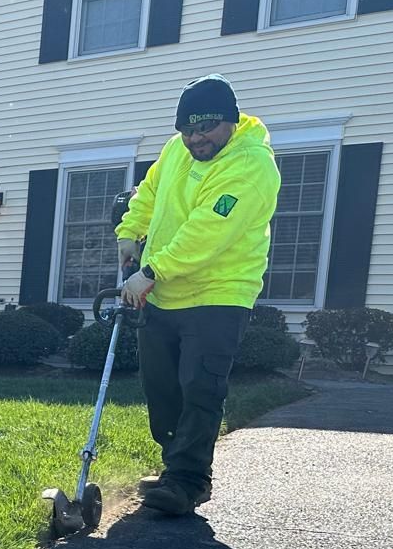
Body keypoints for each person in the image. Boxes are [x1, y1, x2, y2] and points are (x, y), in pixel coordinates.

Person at [115, 74, 281, 517]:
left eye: (205, 127)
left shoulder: (252, 165)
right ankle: (175, 465)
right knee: (162, 387)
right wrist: (130, 232)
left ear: (230, 121)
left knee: (199, 386)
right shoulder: (176, 151)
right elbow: (149, 192)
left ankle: (188, 481)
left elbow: (208, 231)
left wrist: (151, 270)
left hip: (219, 295)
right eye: (187, 129)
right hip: (164, 291)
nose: (195, 138)